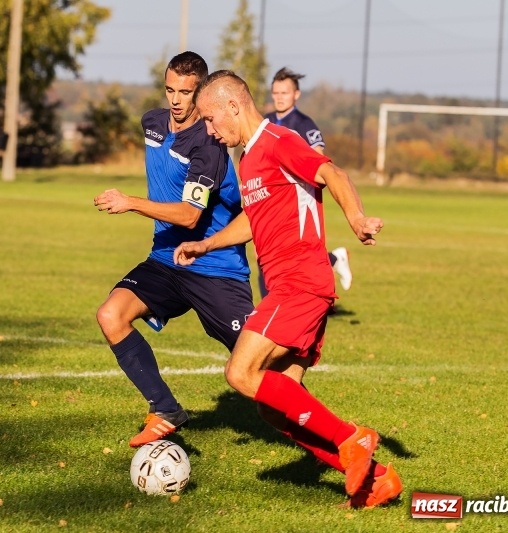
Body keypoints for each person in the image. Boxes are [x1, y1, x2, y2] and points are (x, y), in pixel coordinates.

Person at [174, 70, 402, 508]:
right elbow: (252, 220)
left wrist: (355, 219)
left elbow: (331, 172)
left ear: (233, 107)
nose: (207, 128)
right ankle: (375, 481)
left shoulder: (279, 141)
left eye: (208, 118)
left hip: (299, 284)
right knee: (270, 406)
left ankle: (353, 439)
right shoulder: (248, 161)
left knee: (239, 374)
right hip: (291, 287)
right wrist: (206, 243)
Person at [94, 52, 253, 448]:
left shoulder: (209, 145)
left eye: (185, 92)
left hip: (213, 266)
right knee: (111, 314)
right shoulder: (151, 123)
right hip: (165, 258)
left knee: (256, 367)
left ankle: (327, 435)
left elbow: (187, 215)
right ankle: (165, 408)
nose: (176, 100)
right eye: (170, 90)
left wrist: (131, 201)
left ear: (201, 93)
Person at [256, 67, 352, 297]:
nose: (279, 97)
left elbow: (319, 159)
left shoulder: (304, 124)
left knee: (296, 251)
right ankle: (272, 303)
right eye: (276, 92)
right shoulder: (265, 122)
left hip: (296, 198)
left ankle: (273, 304)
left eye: (284, 93)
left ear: (296, 95)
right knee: (266, 250)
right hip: (269, 196)